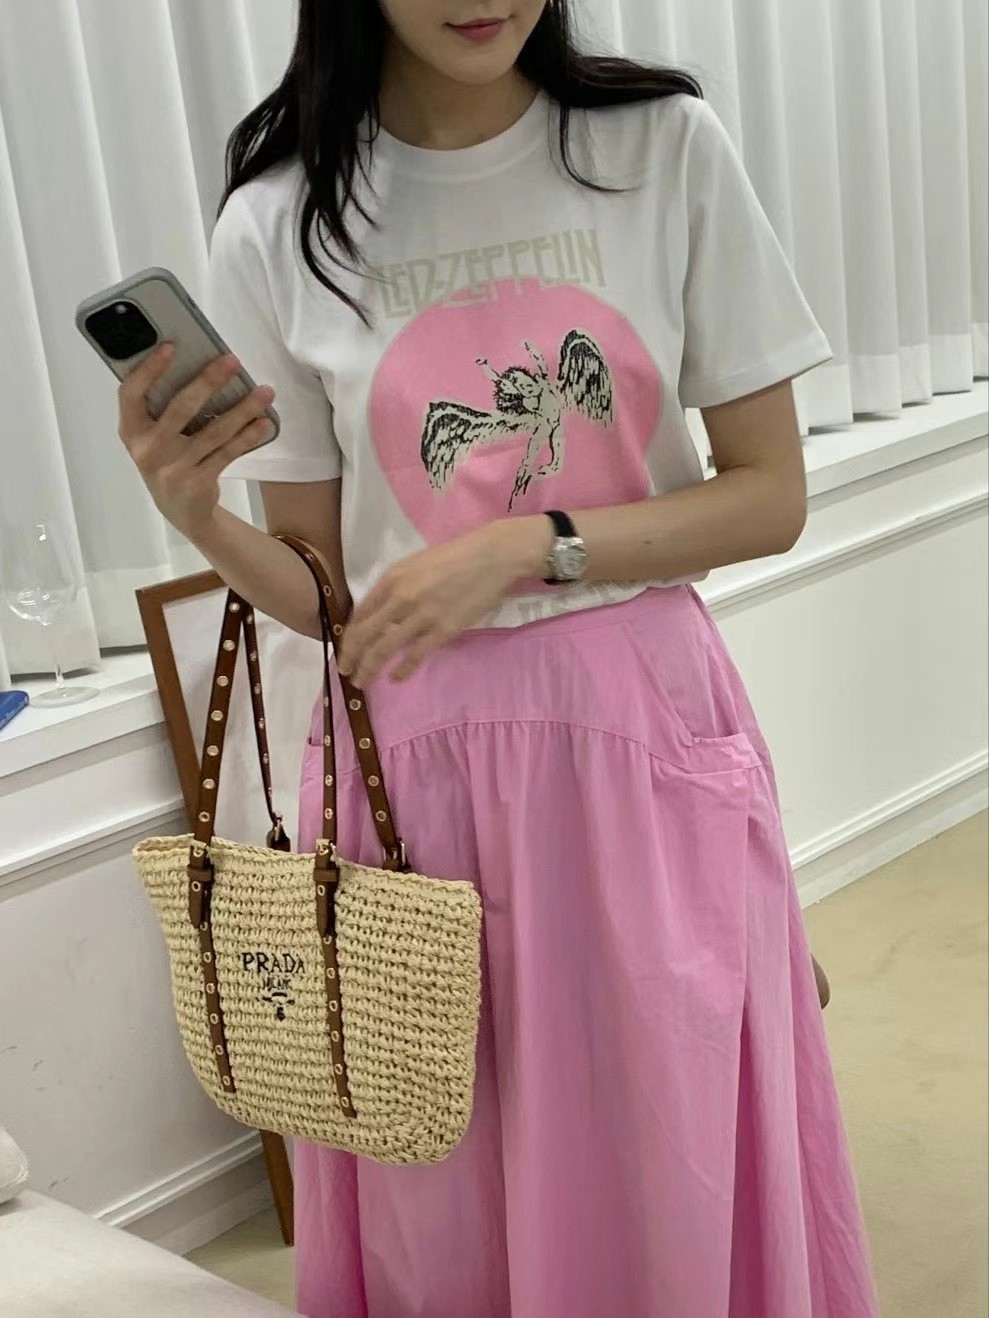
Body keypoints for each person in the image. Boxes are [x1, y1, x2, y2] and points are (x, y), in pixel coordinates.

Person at [117, 2, 878, 1314]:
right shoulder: (280, 221)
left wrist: (534, 543)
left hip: (635, 726)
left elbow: (769, 496)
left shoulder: (657, 148)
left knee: (667, 1147)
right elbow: (326, 592)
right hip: (413, 767)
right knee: (449, 1189)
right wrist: (196, 518)